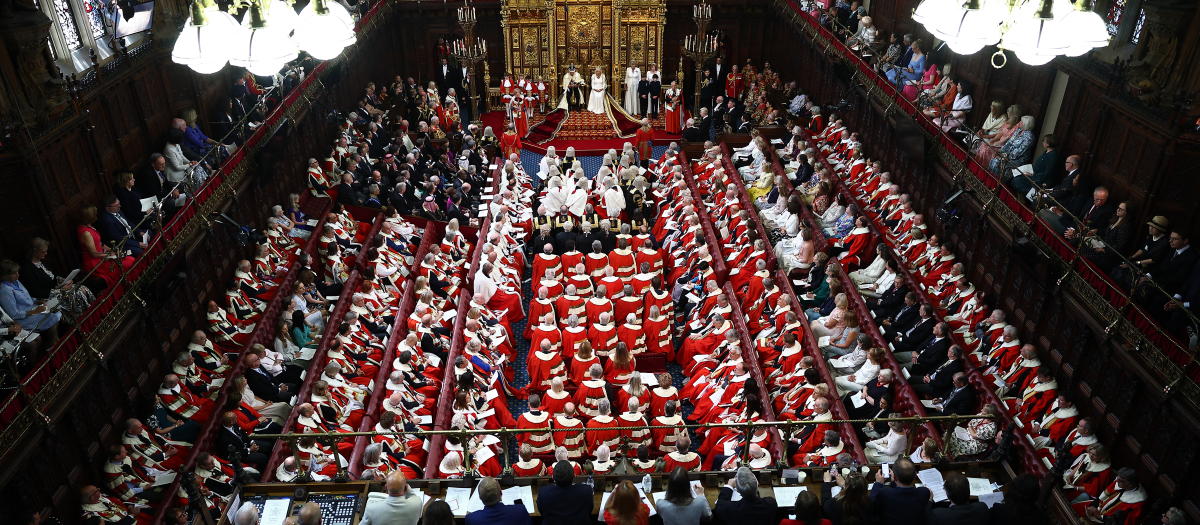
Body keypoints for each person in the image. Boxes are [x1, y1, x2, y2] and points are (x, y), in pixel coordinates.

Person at [869, 457, 930, 525]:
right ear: (915, 475)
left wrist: (878, 483)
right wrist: (893, 482)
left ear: (895, 477)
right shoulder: (924, 492)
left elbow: (871, 505)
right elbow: (903, 495)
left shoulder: (884, 493)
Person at [537, 460, 595, 525]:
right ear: (574, 476)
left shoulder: (543, 493)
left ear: (553, 477)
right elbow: (590, 509)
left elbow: (541, 512)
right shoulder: (586, 490)